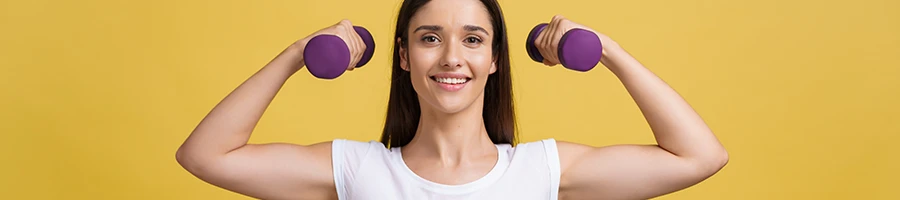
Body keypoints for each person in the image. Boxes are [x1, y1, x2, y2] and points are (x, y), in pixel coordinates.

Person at [175, 0, 729, 199]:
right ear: (403, 57)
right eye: (429, 38)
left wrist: (607, 50)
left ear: (495, 59)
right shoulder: (354, 169)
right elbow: (206, 156)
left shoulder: (543, 170)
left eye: (472, 39)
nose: (450, 59)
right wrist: (298, 53)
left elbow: (699, 157)